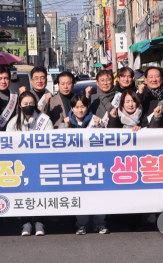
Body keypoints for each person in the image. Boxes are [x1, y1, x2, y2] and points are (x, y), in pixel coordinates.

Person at [6, 92, 52, 236]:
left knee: (40, 193)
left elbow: (50, 140)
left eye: (31, 103)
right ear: (20, 105)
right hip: (21, 164)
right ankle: (26, 223)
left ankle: (40, 222)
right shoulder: (14, 122)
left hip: (40, 162)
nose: (28, 106)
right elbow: (8, 143)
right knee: (24, 193)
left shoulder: (44, 120)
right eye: (25, 104)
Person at [60, 95, 107, 234]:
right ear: (72, 108)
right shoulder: (66, 122)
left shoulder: (96, 121)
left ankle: (100, 223)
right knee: (80, 195)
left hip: (95, 164)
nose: (80, 110)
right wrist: (66, 128)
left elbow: (105, 142)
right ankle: (82, 224)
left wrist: (98, 127)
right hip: (76, 165)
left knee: (98, 194)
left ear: (87, 107)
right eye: (76, 107)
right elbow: (61, 144)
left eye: (83, 107)